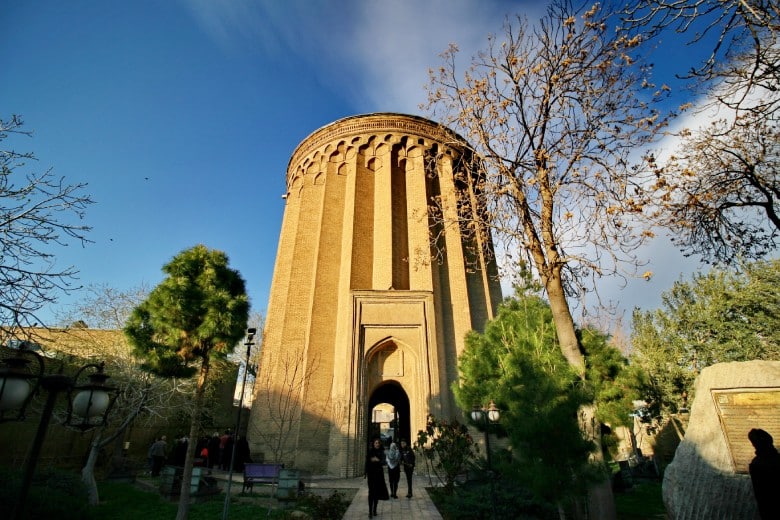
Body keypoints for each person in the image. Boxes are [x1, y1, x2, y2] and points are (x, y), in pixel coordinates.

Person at [748, 428, 780, 520]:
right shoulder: (777, 459)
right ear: (770, 440)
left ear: (754, 445)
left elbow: (759, 493)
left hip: (770, 509)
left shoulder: (756, 465)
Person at [365, 438, 389, 517]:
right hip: (371, 476)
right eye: (376, 443)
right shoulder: (370, 452)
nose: (377, 444)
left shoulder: (381, 452)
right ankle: (370, 512)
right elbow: (367, 462)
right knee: (371, 493)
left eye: (378, 443)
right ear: (373, 444)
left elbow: (384, 462)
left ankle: (374, 509)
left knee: (376, 493)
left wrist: (377, 460)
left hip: (379, 476)